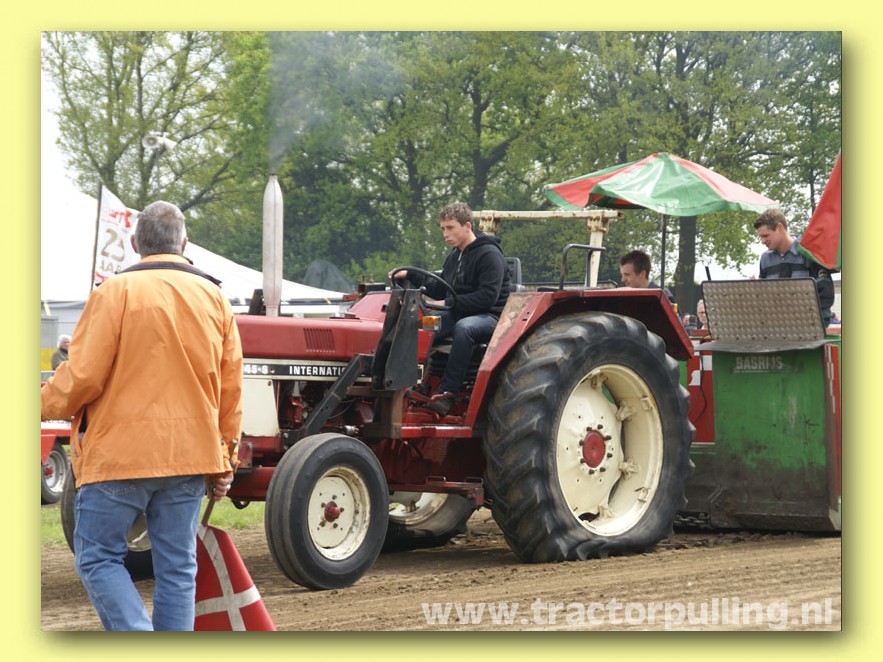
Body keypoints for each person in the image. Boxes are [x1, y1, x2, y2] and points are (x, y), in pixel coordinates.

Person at [40, 200, 243, 631]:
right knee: (178, 568)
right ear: (184, 243)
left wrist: (39, 403)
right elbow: (230, 390)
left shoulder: (114, 293)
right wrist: (226, 459)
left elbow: (82, 377)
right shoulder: (215, 299)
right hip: (190, 457)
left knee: (98, 558)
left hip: (119, 456)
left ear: (135, 244)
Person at [390, 202, 510, 417]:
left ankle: (447, 393)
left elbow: (486, 298)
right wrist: (410, 275)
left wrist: (446, 304)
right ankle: (413, 384)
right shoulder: (455, 256)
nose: (445, 234)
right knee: (423, 326)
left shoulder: (489, 255)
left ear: (467, 226)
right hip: (459, 312)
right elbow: (440, 288)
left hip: (491, 316)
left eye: (450, 228)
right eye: (443, 228)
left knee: (465, 328)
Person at [754, 209, 834, 325]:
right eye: (760, 237)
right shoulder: (765, 259)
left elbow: (825, 294)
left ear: (779, 228)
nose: (762, 241)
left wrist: (813, 324)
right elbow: (762, 295)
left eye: (766, 236)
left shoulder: (810, 253)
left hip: (809, 326)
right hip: (777, 327)